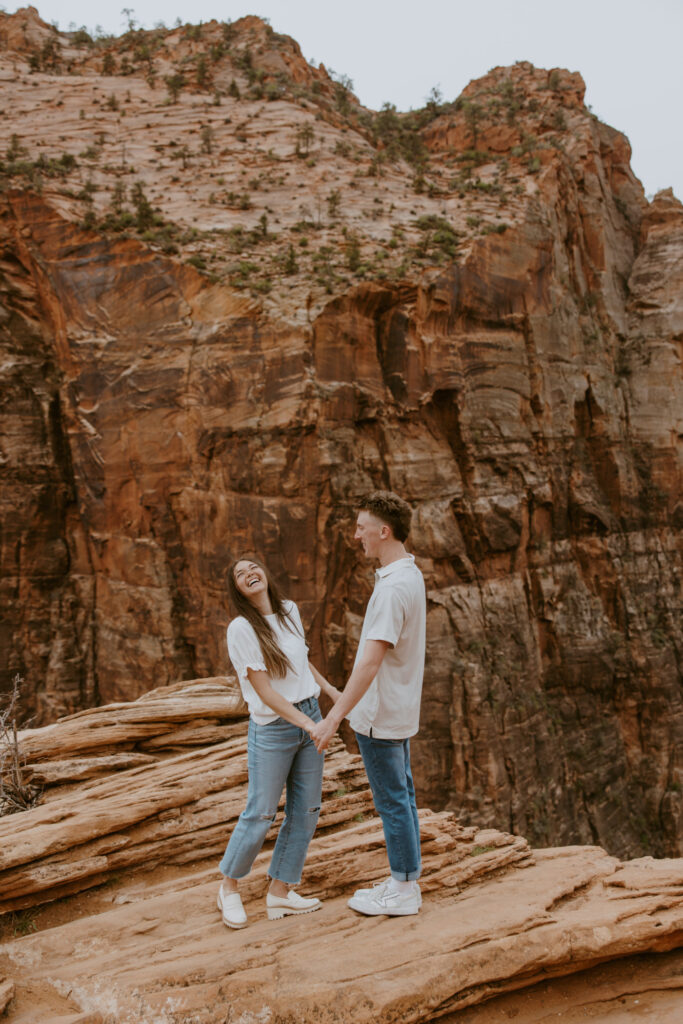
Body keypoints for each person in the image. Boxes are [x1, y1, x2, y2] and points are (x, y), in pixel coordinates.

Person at [311, 491, 426, 917]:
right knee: (404, 797)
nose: (356, 535)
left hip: (378, 716)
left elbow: (371, 661)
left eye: (362, 527)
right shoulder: (408, 575)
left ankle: (403, 890)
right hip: (398, 710)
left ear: (384, 531)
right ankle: (406, 878)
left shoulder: (393, 589)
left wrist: (334, 718)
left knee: (392, 802)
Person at [217, 556, 341, 929]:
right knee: (261, 812)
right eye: (240, 574)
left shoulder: (289, 610)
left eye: (253, 567)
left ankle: (280, 894)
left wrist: (333, 692)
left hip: (310, 716)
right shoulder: (241, 629)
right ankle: (229, 889)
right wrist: (309, 725)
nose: (249, 574)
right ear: (237, 588)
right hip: (274, 727)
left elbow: (303, 662)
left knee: (306, 810)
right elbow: (265, 692)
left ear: (266, 573)